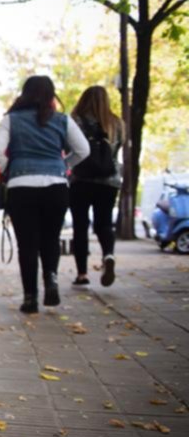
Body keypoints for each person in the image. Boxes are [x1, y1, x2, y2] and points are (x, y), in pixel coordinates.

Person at [0, 76, 90, 314]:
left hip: (21, 187)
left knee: (27, 244)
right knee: (50, 238)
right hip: (55, 186)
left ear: (24, 94)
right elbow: (83, 150)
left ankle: (30, 298)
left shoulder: (11, 120)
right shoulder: (63, 120)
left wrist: (9, 168)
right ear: (51, 95)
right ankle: (51, 280)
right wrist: (63, 166)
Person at [69, 86, 123, 287]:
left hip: (80, 179)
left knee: (80, 226)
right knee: (104, 223)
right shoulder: (116, 123)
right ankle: (108, 255)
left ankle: (82, 274)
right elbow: (117, 149)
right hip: (109, 180)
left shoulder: (75, 121)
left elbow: (68, 146)